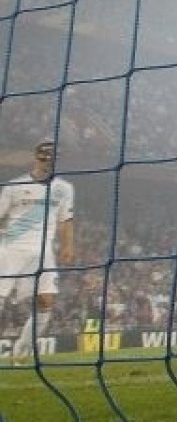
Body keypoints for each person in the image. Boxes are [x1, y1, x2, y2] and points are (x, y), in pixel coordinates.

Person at [0, 140, 75, 362]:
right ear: (36, 157)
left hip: (43, 253)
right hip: (11, 250)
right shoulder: (14, 186)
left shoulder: (64, 188)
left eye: (52, 157)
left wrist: (68, 246)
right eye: (44, 156)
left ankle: (20, 353)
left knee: (46, 302)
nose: (47, 161)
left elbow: (65, 220)